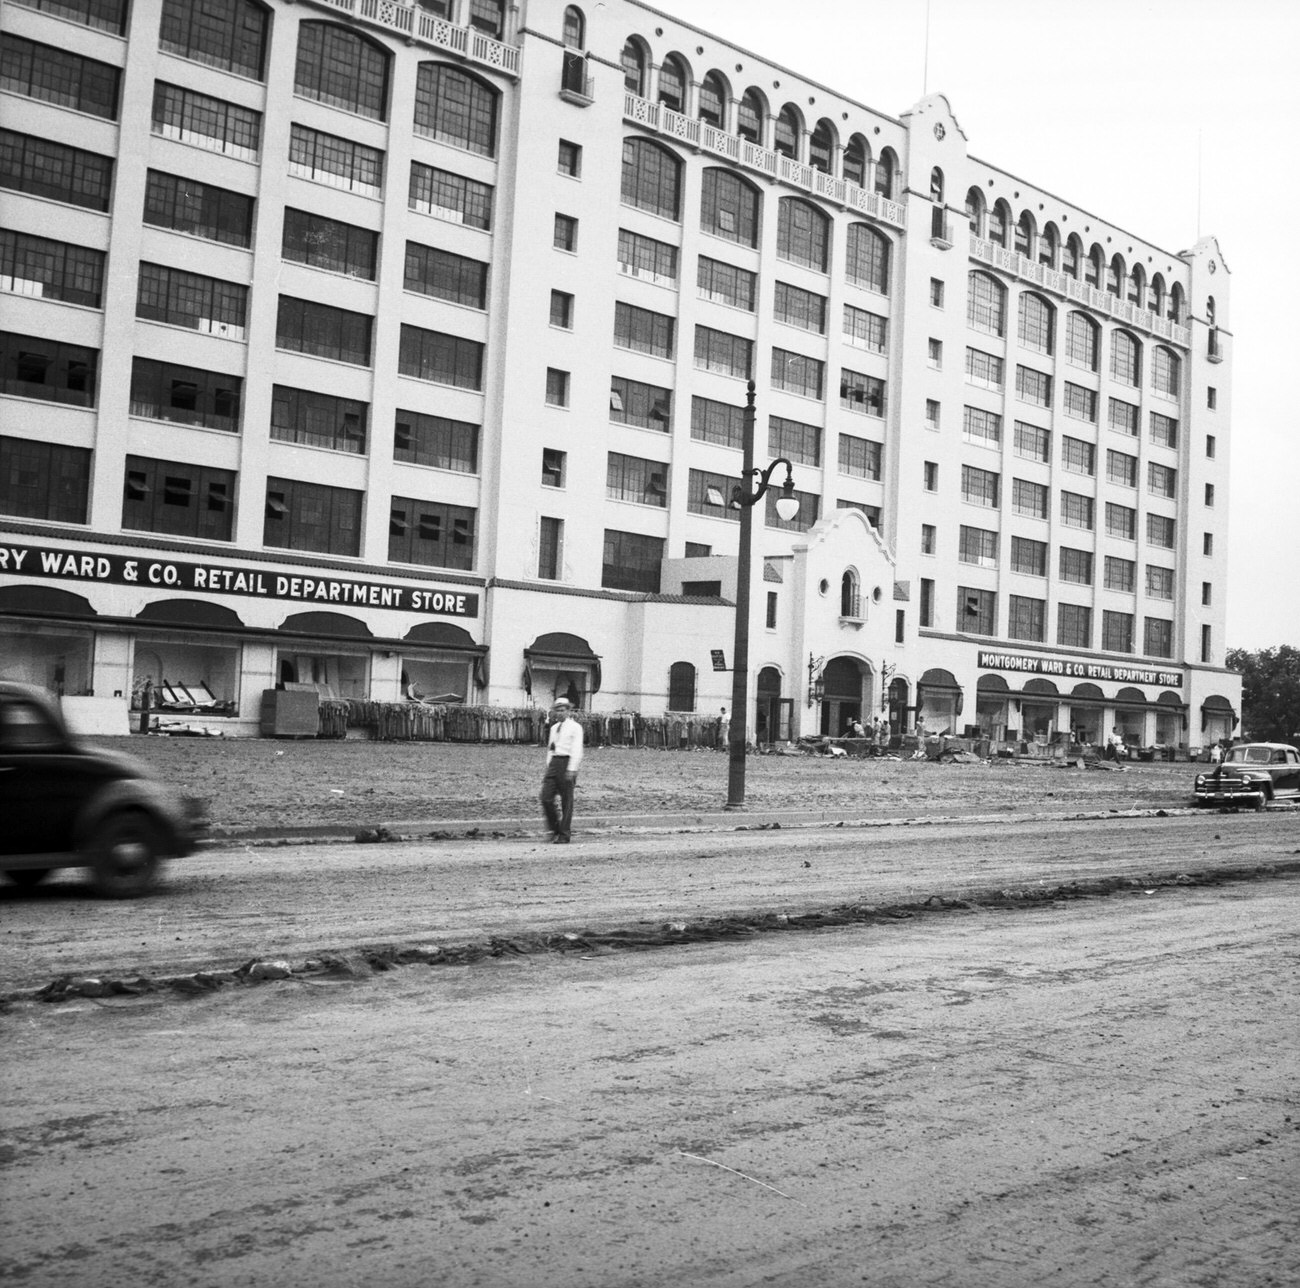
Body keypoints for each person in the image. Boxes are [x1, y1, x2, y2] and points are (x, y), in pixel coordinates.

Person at [540, 697, 584, 843]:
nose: (559, 713)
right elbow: (550, 749)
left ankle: (564, 834)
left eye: (562, 710)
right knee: (545, 797)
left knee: (567, 801)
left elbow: (577, 749)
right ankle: (554, 828)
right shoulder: (553, 728)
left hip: (567, 762)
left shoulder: (575, 727)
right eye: (557, 710)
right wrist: (549, 766)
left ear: (568, 711)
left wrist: (572, 769)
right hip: (554, 763)